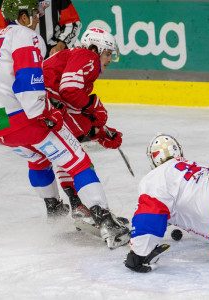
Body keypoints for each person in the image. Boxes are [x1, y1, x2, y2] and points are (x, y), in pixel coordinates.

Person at [0, 0, 130, 249]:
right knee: (78, 160)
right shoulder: (30, 37)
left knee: (40, 158)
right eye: (36, 14)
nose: (39, 18)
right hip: (23, 114)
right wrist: (49, 113)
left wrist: (96, 129)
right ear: (23, 17)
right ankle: (105, 221)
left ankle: (55, 214)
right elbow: (46, 86)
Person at [124, 133, 209, 272]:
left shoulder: (155, 177)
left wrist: (139, 253)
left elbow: (149, 214)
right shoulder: (189, 165)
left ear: (153, 160)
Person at [41, 27, 123, 219]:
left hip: (38, 103)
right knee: (75, 154)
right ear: (95, 48)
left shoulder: (76, 59)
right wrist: (93, 106)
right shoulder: (87, 56)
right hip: (45, 100)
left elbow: (73, 112)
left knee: (65, 150)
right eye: (108, 53)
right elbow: (69, 91)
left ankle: (74, 204)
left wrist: (100, 131)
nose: (109, 60)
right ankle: (90, 208)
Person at [0, 0, 81, 58]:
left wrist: (60, 46)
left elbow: (73, 23)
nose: (38, 20)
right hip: (19, 58)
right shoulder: (8, 2)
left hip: (51, 58)